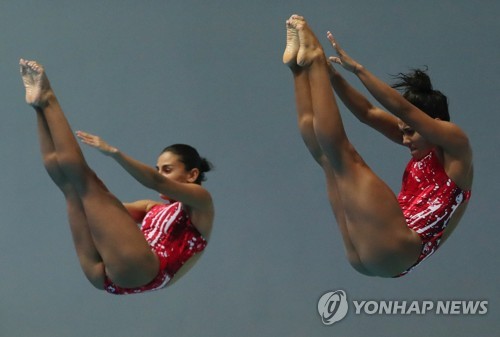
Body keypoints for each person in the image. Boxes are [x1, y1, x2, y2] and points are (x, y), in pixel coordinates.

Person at [283, 15, 473, 277]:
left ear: (433, 123)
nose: (404, 140)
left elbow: (402, 108)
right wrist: (332, 74)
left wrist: (359, 70)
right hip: (370, 253)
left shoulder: (456, 144)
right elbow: (369, 112)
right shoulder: (423, 145)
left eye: (409, 132)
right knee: (326, 159)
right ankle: (298, 69)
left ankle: (313, 57)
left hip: (398, 247)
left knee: (345, 157)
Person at [20, 59, 214, 294]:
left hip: (141, 270)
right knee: (72, 189)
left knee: (87, 185)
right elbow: (103, 213)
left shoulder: (201, 203)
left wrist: (115, 154)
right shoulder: (151, 208)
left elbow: (155, 182)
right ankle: (39, 106)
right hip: (107, 275)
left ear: (192, 174)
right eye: (159, 167)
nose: (161, 173)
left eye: (168, 169)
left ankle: (49, 97)